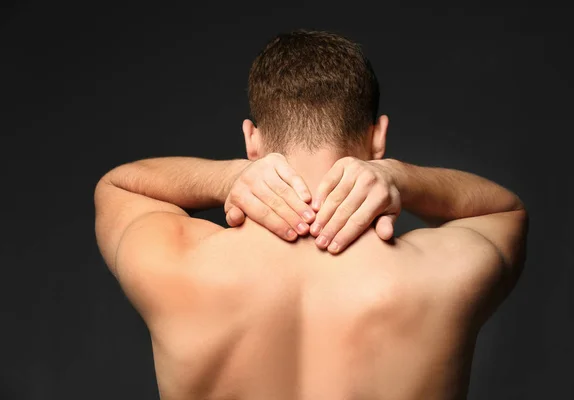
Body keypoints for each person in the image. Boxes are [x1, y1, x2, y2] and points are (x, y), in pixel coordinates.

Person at [94, 30, 529, 400]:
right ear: (378, 138)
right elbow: (507, 211)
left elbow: (118, 185)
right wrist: (403, 178)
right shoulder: (443, 273)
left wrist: (228, 177)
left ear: (252, 141)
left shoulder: (182, 263)